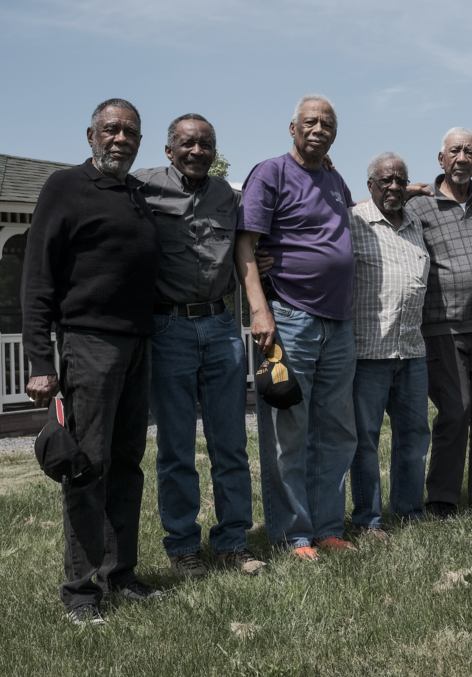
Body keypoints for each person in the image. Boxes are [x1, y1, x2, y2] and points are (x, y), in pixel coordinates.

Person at [22, 98, 162, 626]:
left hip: (138, 345)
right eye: (111, 130)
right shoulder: (64, 187)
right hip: (88, 344)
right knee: (87, 467)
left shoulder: (137, 194)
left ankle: (119, 574)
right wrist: (40, 358)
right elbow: (37, 277)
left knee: (127, 464)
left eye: (130, 132)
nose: (120, 138)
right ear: (90, 136)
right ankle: (80, 592)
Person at [133, 114, 269, 578]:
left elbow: (252, 244)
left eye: (206, 144)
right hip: (168, 329)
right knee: (175, 448)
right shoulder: (141, 187)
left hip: (220, 327)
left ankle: (233, 542)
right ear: (169, 149)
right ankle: (182, 547)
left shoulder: (229, 198)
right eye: (188, 144)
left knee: (230, 443)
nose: (197, 151)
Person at [238, 94, 358, 560]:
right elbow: (245, 246)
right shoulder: (270, 173)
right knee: (288, 430)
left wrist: (403, 191)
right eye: (310, 121)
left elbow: (341, 227)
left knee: (336, 430)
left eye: (327, 123)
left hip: (338, 323)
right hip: (288, 317)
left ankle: (328, 526)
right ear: (292, 128)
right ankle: (293, 534)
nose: (319, 128)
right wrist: (260, 310)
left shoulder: (333, 178)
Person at [406, 128, 472, 517]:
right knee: (455, 409)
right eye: (454, 151)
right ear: (441, 160)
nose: (462, 157)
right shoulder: (420, 207)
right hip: (441, 328)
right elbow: (374, 215)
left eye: (469, 152)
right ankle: (443, 500)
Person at [348, 152, 431, 539]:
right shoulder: (353, 220)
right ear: (371, 186)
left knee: (413, 436)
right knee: (364, 440)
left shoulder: (417, 223)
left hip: (412, 350)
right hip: (368, 352)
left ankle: (409, 512)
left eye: (400, 180)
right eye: (386, 181)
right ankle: (368, 519)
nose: (394, 186)